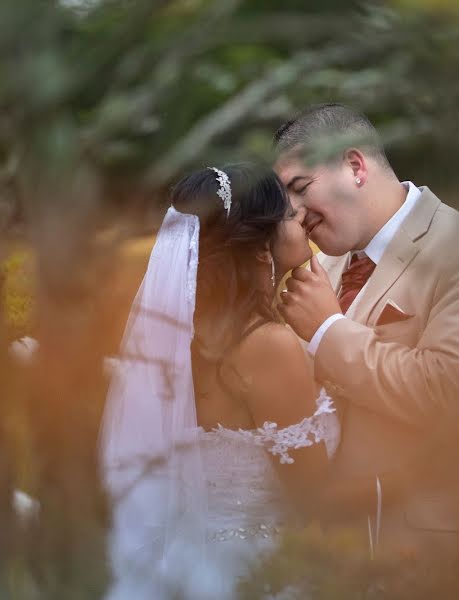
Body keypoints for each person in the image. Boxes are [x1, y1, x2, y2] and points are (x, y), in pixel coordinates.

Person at [274, 104, 459, 560]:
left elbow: (450, 392)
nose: (293, 212)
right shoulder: (320, 269)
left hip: (442, 550)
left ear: (354, 166)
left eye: (300, 188)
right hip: (340, 554)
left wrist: (328, 331)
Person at [99, 164, 339, 599]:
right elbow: (314, 495)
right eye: (288, 213)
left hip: (188, 566)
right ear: (258, 244)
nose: (302, 215)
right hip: (257, 572)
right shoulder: (267, 345)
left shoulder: (177, 332)